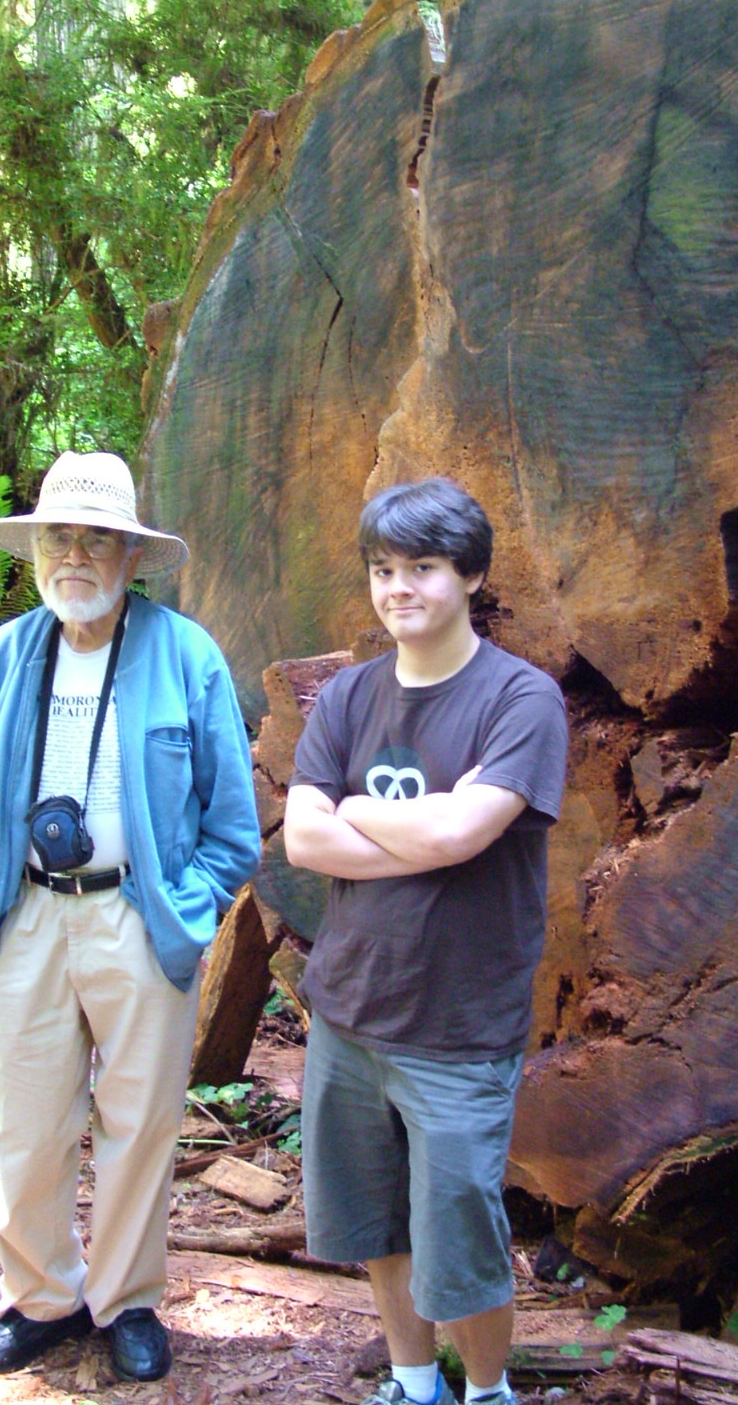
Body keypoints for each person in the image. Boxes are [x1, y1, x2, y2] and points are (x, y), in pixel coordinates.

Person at [0, 450, 260, 1382]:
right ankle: (39, 1298)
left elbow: (233, 823)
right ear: (36, 552)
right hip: (23, 918)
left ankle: (125, 1300)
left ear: (131, 556)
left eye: (96, 539)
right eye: (59, 539)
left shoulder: (185, 655)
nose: (74, 556)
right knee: (27, 1125)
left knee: (140, 1122)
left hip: (139, 916)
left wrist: (190, 907)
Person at [283, 477, 569, 1405]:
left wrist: (359, 809)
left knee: (461, 1240)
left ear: (472, 575)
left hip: (459, 1025)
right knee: (376, 1223)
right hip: (349, 1011)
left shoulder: (520, 698)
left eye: (423, 568)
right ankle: (413, 1384)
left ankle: (487, 1393)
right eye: (382, 569)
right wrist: (425, 828)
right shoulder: (348, 696)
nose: (398, 588)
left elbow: (461, 834)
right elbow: (303, 840)